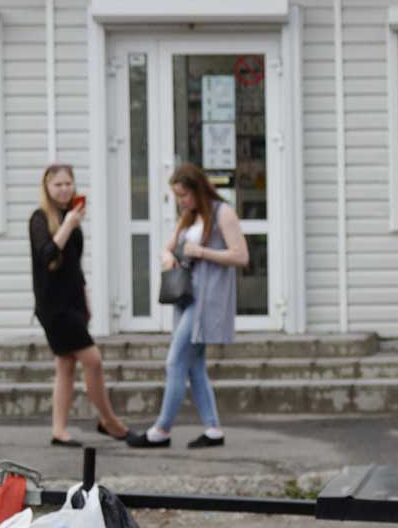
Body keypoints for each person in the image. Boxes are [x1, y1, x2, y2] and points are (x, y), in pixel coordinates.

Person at [129, 165, 249, 450]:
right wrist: (166, 256)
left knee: (175, 361)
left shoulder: (222, 212)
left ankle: (162, 430)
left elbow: (241, 256)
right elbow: (167, 247)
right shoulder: (189, 216)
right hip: (186, 296)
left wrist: (202, 252)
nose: (181, 201)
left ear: (197, 189)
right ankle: (213, 429)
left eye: (184, 195)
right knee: (194, 367)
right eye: (178, 196)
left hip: (207, 300)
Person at [29, 165, 132, 448]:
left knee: (65, 365)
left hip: (74, 302)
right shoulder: (40, 218)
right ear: (47, 188)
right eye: (58, 184)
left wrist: (85, 300)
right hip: (54, 306)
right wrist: (68, 226)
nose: (64, 189)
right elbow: (47, 257)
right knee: (93, 360)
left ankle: (59, 430)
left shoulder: (70, 216)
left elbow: (74, 264)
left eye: (68, 183)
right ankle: (109, 421)